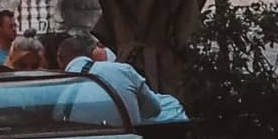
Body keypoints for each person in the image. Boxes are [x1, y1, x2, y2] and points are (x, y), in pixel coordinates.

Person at [55, 30, 183, 123]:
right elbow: (154, 109)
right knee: (172, 105)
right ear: (90, 54)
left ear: (60, 60)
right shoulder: (122, 70)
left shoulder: (57, 90)